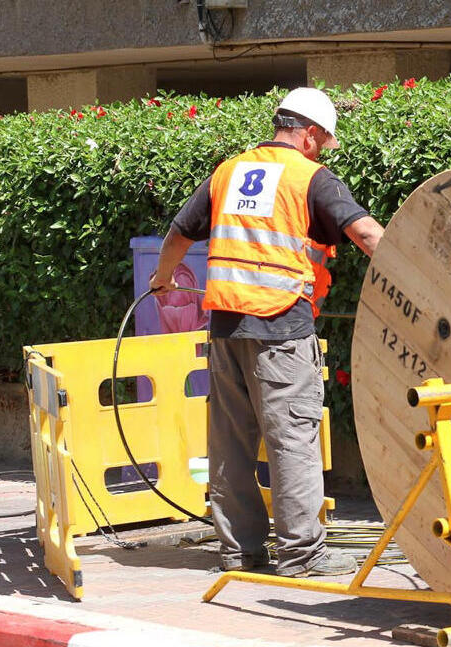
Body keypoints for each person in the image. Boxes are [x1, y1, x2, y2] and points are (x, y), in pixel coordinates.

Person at [149, 87, 384, 578]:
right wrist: (414, 276)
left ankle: (240, 553)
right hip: (281, 327)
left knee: (231, 445)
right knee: (292, 439)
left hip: (227, 328)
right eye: (324, 140)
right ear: (311, 134)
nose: (322, 149)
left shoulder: (228, 172)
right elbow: (365, 234)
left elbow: (178, 233)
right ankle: (301, 556)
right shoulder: (309, 177)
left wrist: (163, 277)